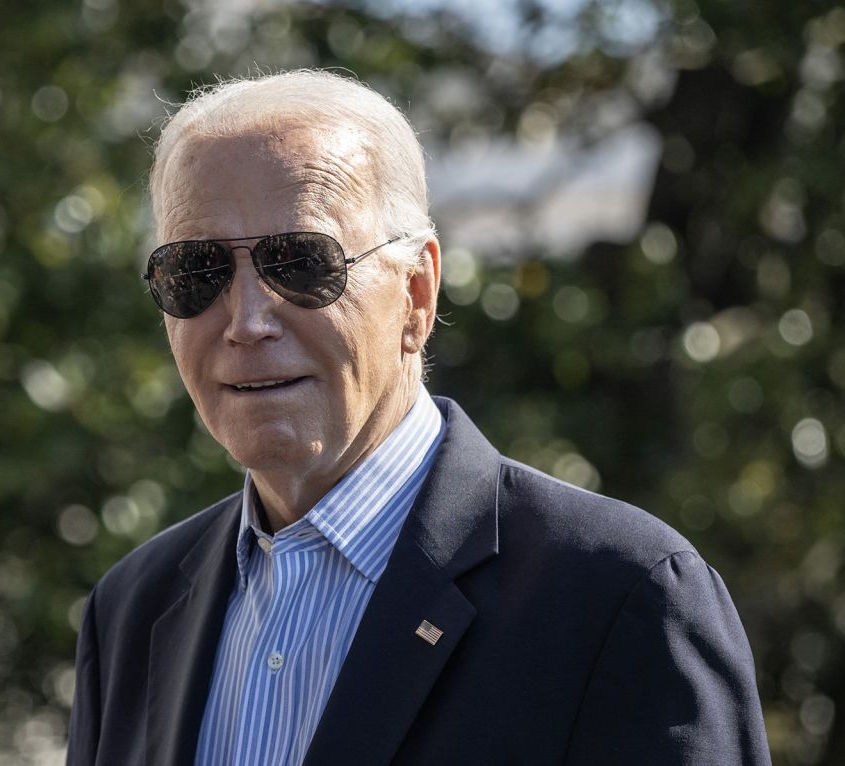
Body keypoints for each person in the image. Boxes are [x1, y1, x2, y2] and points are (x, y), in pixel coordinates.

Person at [66, 69, 770, 766]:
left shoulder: (618, 599)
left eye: (303, 263)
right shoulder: (131, 613)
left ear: (417, 293)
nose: (247, 322)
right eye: (198, 272)